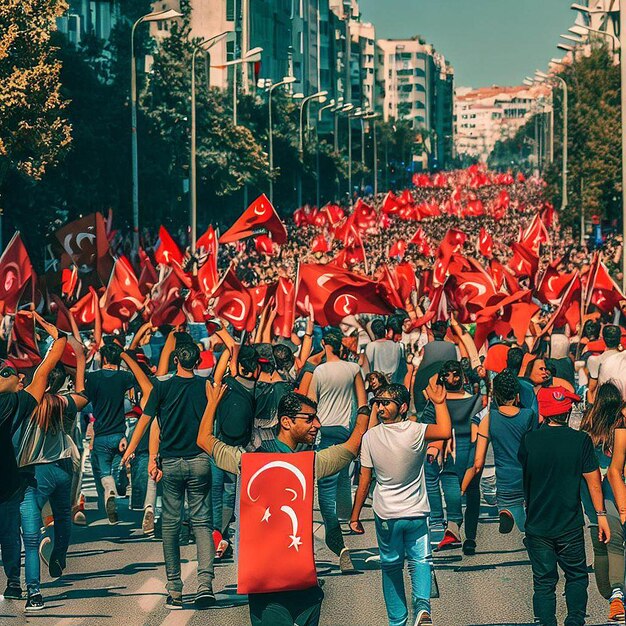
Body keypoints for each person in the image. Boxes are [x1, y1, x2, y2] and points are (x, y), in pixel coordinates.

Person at [197, 388, 369, 626]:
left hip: (264, 579)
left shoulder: (247, 461)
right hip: (302, 580)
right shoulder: (309, 464)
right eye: (309, 418)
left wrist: (213, 403)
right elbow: (352, 446)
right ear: (286, 421)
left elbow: (204, 440)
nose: (317, 424)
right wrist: (363, 409)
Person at [121, 341, 215, 610]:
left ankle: (175, 589)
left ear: (176, 361)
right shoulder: (205, 386)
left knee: (171, 527)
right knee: (202, 524)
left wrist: (132, 450)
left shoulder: (162, 387)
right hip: (200, 461)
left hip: (171, 464)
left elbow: (146, 421)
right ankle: (205, 584)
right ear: (197, 363)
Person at [350, 381, 451, 626]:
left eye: (386, 402)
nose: (380, 407)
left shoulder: (370, 437)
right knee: (421, 560)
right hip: (417, 512)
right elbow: (445, 431)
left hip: (386, 515)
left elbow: (365, 480)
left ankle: (398, 621)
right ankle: (423, 608)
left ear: (403, 406)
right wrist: (440, 403)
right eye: (377, 403)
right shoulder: (415, 430)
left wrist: (355, 517)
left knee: (392, 567)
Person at [519, 386, 610, 626]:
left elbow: (526, 475)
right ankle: (575, 620)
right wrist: (601, 515)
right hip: (569, 523)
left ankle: (546, 622)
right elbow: (594, 483)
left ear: (544, 412)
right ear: (568, 413)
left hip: (537, 523)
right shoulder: (580, 441)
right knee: (576, 576)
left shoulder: (529, 440)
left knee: (543, 581)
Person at [17, 336, 89, 611]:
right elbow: (82, 394)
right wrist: (80, 358)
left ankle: (34, 593)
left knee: (32, 537)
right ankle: (59, 554)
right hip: (63, 469)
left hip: (35, 473)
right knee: (63, 517)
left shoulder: (26, 404)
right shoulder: (62, 403)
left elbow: (42, 370)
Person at [0, 313, 66, 606]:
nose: (22, 377)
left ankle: (15, 583)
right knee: (12, 536)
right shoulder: (14, 402)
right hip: (9, 484)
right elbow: (42, 374)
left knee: (10, 536)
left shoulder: (14, 401)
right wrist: (58, 339)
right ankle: (18, 584)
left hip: (10, 484)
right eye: (15, 374)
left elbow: (38, 375)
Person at [307, 327, 367, 573]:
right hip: (347, 432)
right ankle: (347, 521)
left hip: (325, 434)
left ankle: (339, 545)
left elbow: (310, 404)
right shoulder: (353, 369)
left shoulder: (319, 371)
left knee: (325, 495)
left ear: (324, 346)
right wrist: (360, 434)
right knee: (342, 480)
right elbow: (363, 404)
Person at [463, 370, 537, 534]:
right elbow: (535, 450)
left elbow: (478, 463)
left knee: (506, 503)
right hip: (525, 478)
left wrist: (462, 488)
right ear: (517, 395)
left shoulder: (489, 419)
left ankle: (505, 511)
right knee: (530, 518)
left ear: (494, 394)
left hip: (503, 481)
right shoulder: (528, 415)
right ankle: (528, 534)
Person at [421, 360, 483, 555]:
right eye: (448, 375)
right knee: (472, 492)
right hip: (471, 446)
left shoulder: (438, 400)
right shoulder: (475, 400)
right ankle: (467, 536)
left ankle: (455, 527)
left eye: (454, 375)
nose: (451, 379)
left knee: (451, 483)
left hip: (449, 446)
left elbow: (427, 422)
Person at [579, 382, 626, 622]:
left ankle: (608, 591)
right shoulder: (620, 423)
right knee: (616, 537)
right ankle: (616, 593)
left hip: (589, 484)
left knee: (599, 536)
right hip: (611, 485)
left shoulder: (588, 421)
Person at [84, 343, 135, 523]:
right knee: (118, 465)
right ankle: (120, 481)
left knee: (105, 472)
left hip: (101, 435)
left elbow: (85, 399)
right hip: (120, 433)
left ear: (103, 359)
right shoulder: (124, 377)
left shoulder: (93, 378)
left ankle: (110, 491)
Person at [588, 325, 623, 403]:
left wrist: (591, 411)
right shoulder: (623, 357)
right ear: (619, 338)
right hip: (622, 400)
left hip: (605, 402)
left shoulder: (595, 360)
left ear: (603, 339)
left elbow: (591, 390)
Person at [365, 318, 405, 384]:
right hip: (394, 383)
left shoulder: (371, 346)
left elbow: (368, 365)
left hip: (378, 385)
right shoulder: (397, 345)